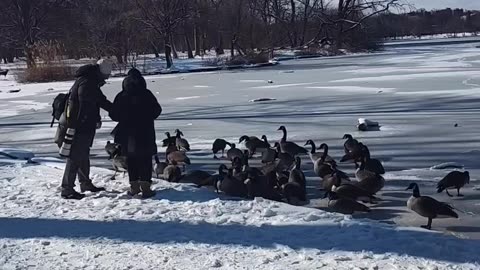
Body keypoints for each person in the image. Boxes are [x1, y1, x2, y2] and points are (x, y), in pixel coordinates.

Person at [60, 59, 113, 200]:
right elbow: (91, 103)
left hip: (83, 125)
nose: (107, 78)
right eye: (107, 75)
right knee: (75, 156)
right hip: (80, 126)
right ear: (102, 72)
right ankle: (67, 189)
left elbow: (99, 100)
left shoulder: (88, 80)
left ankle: (85, 183)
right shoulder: (88, 83)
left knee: (82, 154)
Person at [109, 68, 162, 198]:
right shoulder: (147, 94)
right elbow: (157, 110)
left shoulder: (122, 96)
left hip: (127, 134)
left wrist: (124, 117)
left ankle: (134, 187)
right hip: (146, 131)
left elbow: (114, 115)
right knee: (145, 159)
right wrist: (146, 116)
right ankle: (146, 187)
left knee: (131, 159)